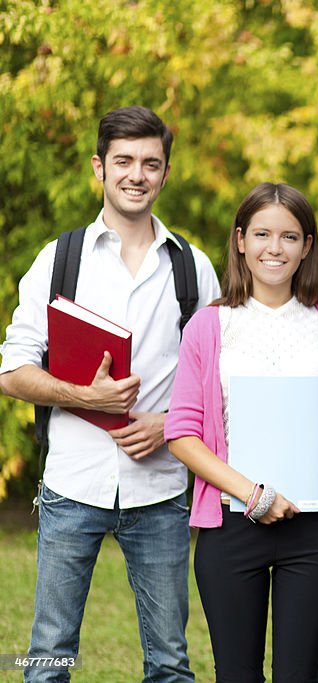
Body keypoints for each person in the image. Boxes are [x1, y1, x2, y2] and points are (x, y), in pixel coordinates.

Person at [0, 106, 220, 682]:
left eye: (151, 163)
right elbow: (12, 370)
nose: (136, 174)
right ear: (99, 166)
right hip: (72, 483)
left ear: (166, 173)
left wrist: (170, 423)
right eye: (123, 161)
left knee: (171, 663)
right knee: (47, 657)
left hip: (161, 492)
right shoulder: (59, 259)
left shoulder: (193, 270)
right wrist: (84, 396)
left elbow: (221, 387)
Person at [164, 182, 318, 681]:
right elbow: (182, 434)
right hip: (233, 525)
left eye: (289, 236)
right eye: (261, 234)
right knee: (236, 674)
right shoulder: (209, 326)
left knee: (299, 675)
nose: (274, 248)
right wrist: (253, 494)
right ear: (240, 241)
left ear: (307, 247)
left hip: (316, 527)